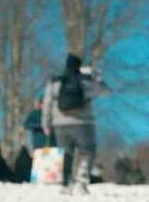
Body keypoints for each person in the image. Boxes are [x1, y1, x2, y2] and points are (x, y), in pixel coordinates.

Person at [42, 53, 108, 194]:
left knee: (67, 154)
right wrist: (97, 79)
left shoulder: (55, 82)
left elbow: (47, 104)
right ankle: (81, 181)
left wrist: (46, 124)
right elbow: (105, 91)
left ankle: (67, 184)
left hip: (60, 124)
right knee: (87, 151)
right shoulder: (84, 82)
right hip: (83, 123)